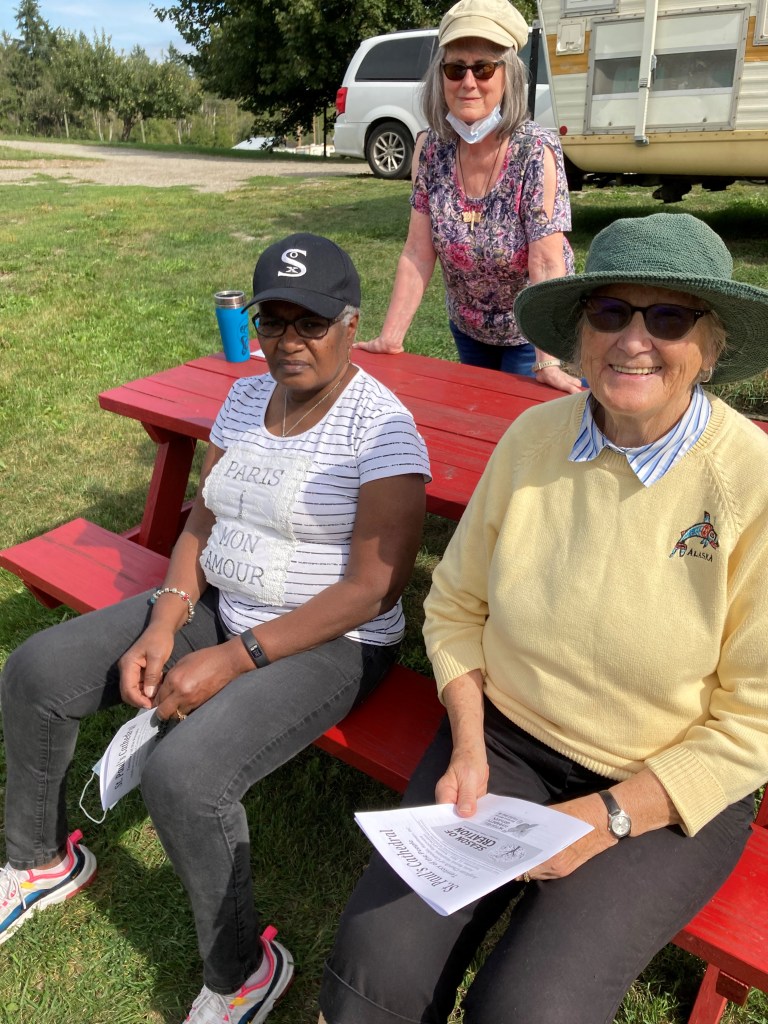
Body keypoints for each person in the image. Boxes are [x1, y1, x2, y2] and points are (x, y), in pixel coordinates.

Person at [318, 212, 768, 1024]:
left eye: (669, 317)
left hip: (666, 780)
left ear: (712, 347)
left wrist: (609, 816)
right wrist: (465, 740)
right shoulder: (533, 437)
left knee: (531, 1010)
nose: (634, 340)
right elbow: (455, 605)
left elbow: (756, 722)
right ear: (581, 333)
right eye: (610, 312)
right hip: (504, 738)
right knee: (375, 962)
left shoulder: (752, 482)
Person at [0, 233, 431, 1024]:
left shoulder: (382, 431)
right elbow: (205, 514)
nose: (289, 340)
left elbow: (374, 589)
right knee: (36, 670)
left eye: (311, 322)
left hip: (331, 642)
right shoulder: (244, 398)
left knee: (187, 778)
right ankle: (37, 860)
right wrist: (166, 619)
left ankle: (242, 972)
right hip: (221, 605)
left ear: (350, 324)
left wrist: (234, 659)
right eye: (274, 321)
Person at [356, 0, 582, 394]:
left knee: (515, 420)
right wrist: (390, 337)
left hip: (528, 333)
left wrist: (546, 360)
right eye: (456, 68)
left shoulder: (535, 152)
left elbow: (546, 264)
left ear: (508, 75)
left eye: (483, 68)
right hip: (467, 324)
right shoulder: (431, 149)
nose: (468, 82)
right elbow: (417, 252)